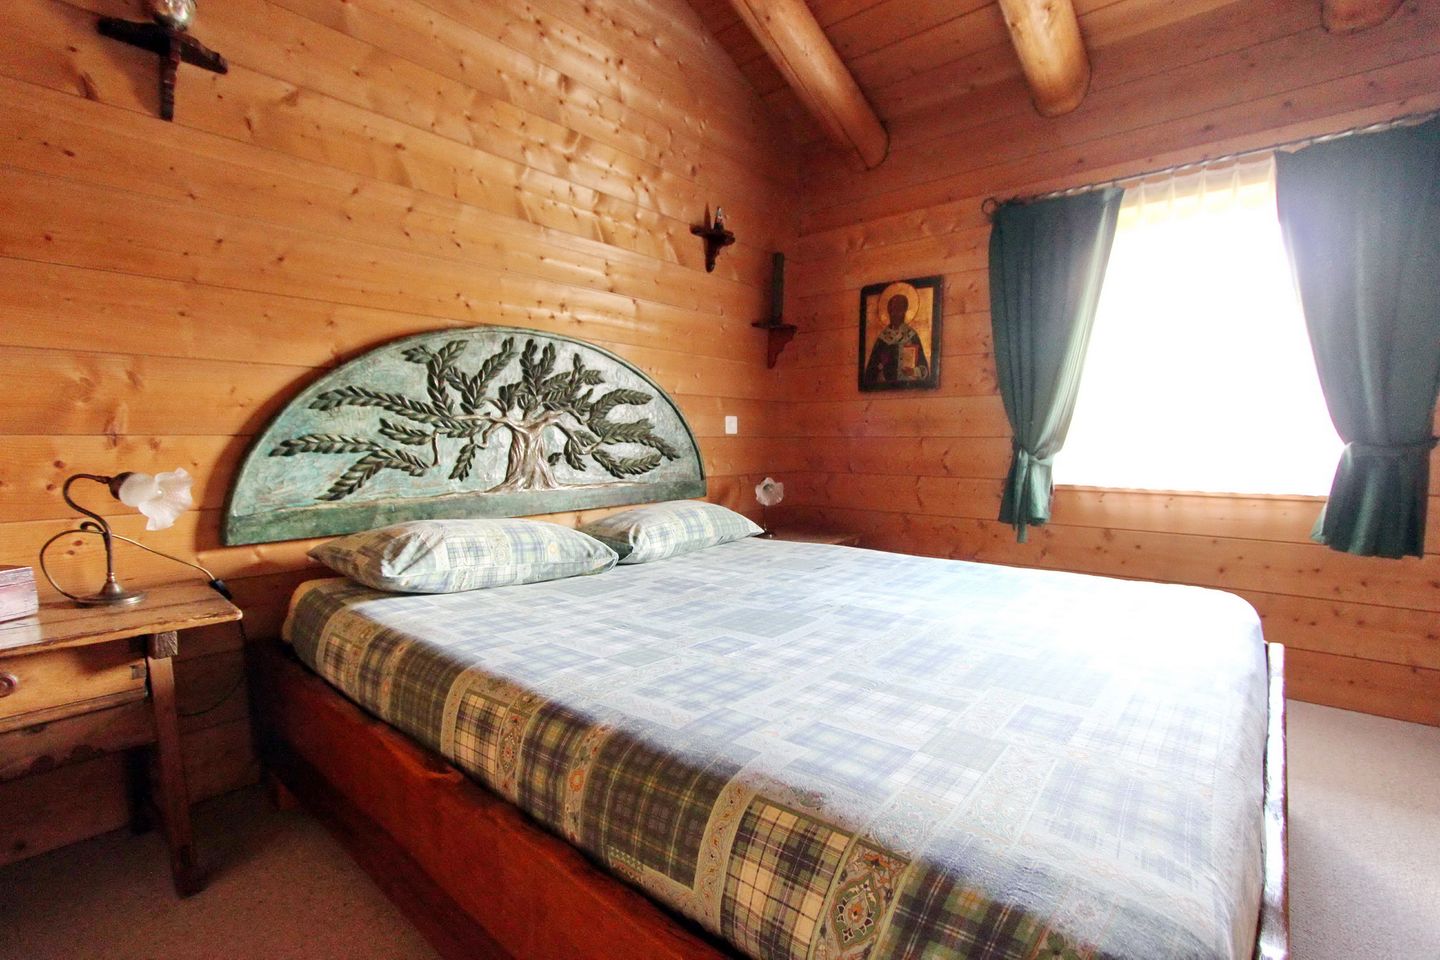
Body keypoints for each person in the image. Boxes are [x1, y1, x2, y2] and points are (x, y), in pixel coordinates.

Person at [864, 283, 928, 385]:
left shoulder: (911, 336)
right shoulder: (883, 338)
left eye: (899, 310)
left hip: (908, 389)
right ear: (889, 311)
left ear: (905, 311)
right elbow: (870, 374)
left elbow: (925, 370)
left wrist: (913, 371)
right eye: (893, 310)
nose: (895, 314)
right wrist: (881, 365)